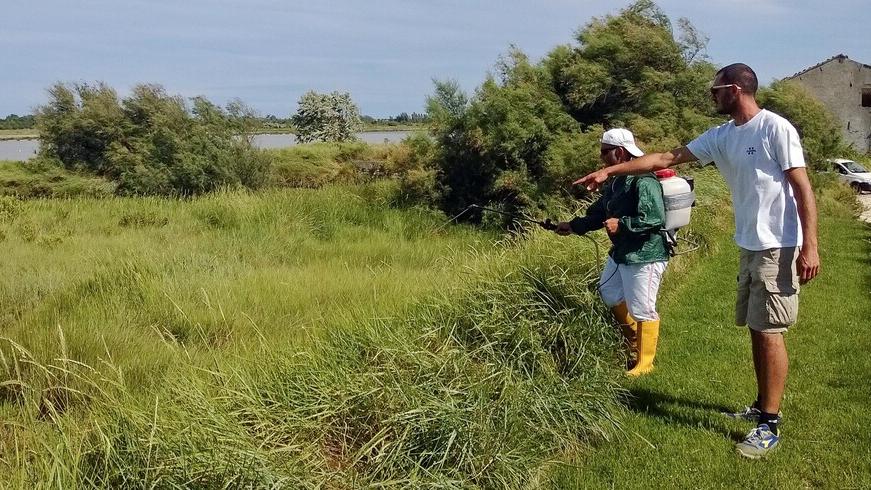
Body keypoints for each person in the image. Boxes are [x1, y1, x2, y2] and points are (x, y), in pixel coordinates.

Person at [575, 63, 820, 459]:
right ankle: (761, 405)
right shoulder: (722, 136)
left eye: (716, 90)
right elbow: (663, 157)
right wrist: (609, 170)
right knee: (757, 327)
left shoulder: (775, 128)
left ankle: (769, 425)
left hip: (779, 245)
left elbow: (803, 188)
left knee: (770, 330)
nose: (712, 96)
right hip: (749, 244)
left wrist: (810, 246)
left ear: (736, 90)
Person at [555, 128, 669, 377]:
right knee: (609, 292)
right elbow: (599, 213)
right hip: (622, 252)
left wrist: (623, 224)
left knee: (642, 308)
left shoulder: (644, 179)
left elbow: (654, 218)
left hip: (645, 254)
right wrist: (573, 226)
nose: (602, 157)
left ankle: (645, 364)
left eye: (605, 152)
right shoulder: (617, 181)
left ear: (619, 152)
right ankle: (634, 344)